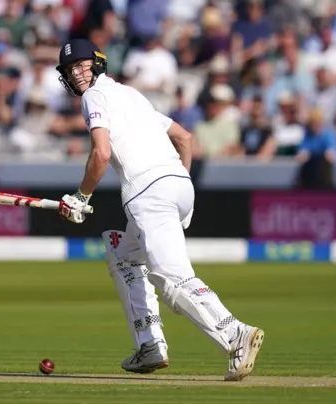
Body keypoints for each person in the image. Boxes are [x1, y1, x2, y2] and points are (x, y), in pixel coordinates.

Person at [55, 39, 264, 381]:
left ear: (97, 63)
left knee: (172, 279)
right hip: (178, 183)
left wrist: (81, 196)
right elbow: (184, 138)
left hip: (147, 192)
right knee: (122, 252)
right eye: (70, 69)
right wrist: (179, 184)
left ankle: (235, 333)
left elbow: (101, 154)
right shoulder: (131, 95)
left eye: (81, 65)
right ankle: (150, 344)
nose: (77, 74)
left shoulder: (94, 97)